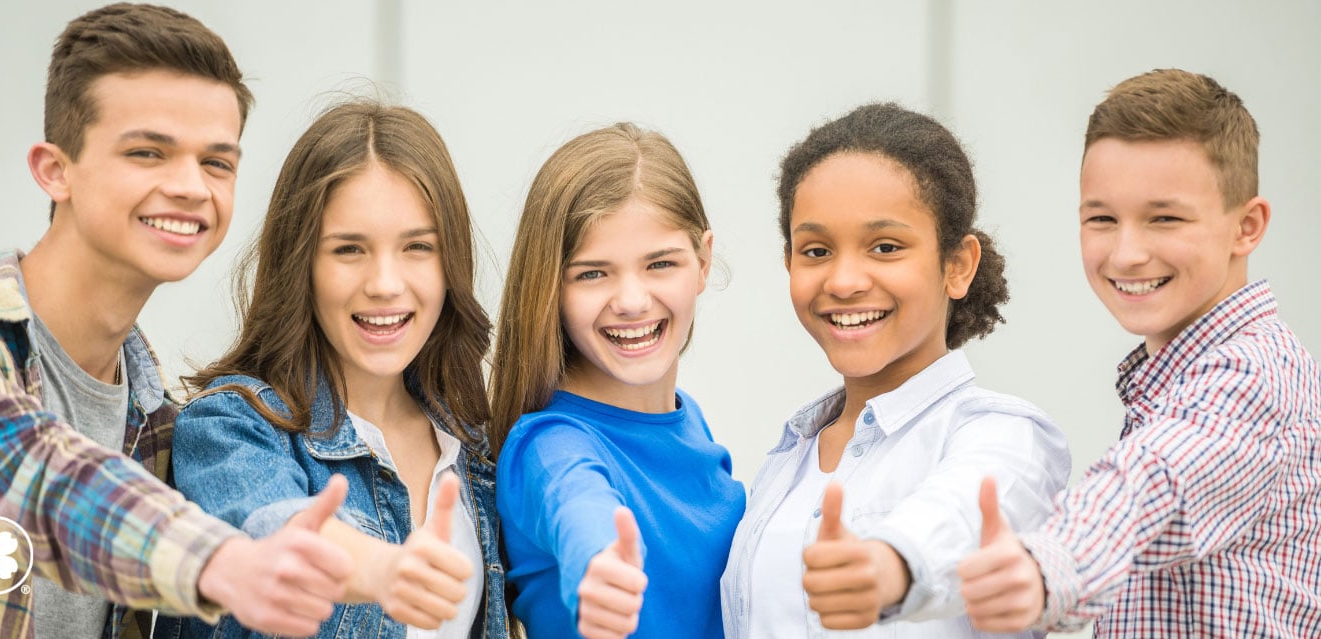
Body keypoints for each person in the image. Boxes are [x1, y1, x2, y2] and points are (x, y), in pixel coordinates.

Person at [0, 4, 357, 638]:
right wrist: (224, 561)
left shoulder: (157, 420)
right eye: (149, 152)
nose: (190, 186)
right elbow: (33, 475)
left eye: (217, 162)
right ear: (55, 170)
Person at [958, 69, 1321, 637]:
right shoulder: (1173, 378)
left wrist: (1043, 566)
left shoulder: (1252, 373)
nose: (1126, 253)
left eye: (1165, 218)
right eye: (1102, 218)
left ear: (1246, 227)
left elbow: (1152, 484)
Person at [158, 100, 508, 638]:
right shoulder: (232, 428)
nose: (385, 283)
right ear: (302, 265)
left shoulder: (476, 450)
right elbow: (276, 534)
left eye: (417, 247)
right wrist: (379, 569)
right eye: (349, 249)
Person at [720, 103, 1070, 638]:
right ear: (789, 262)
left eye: (885, 247)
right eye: (816, 250)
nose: (843, 280)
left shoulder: (1005, 437)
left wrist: (888, 566)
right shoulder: (788, 459)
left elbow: (959, 518)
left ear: (957, 265)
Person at [490, 122, 746, 639]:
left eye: (660, 264)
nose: (631, 300)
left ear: (703, 260)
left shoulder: (686, 418)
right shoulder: (549, 444)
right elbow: (581, 508)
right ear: (550, 287)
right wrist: (601, 566)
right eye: (592, 273)